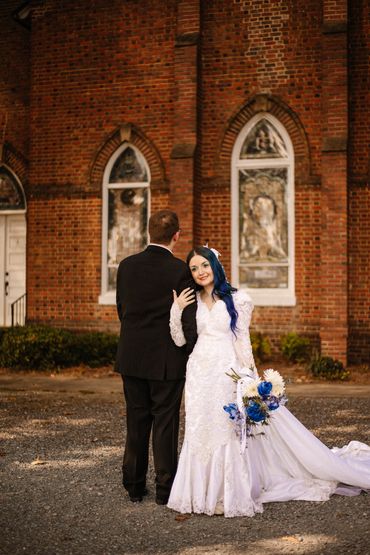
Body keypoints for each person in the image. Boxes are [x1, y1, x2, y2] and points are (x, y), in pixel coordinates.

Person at [167, 246, 370, 517]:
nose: (200, 272)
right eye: (194, 268)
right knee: (199, 431)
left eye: (204, 265)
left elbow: (242, 341)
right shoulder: (190, 303)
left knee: (227, 431)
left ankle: (227, 494)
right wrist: (176, 309)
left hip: (225, 373)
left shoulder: (238, 300)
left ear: (215, 265)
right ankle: (199, 494)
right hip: (198, 375)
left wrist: (250, 377)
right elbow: (180, 341)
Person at [115, 210, 197, 505]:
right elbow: (189, 318)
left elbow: (121, 308)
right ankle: (165, 490)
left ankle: (134, 486)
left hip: (132, 356)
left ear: (148, 233)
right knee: (165, 423)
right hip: (166, 360)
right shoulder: (179, 270)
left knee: (136, 421)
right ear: (177, 235)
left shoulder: (126, 266)